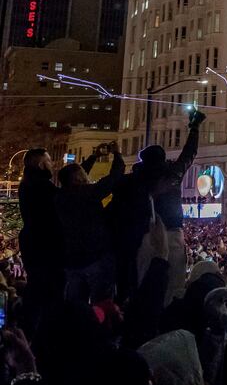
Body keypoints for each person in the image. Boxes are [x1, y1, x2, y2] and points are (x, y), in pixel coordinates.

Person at [136, 109, 205, 305]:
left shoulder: (138, 178)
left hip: (148, 235)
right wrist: (194, 127)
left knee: (146, 285)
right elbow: (189, 153)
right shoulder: (172, 174)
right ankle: (170, 314)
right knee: (174, 286)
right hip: (173, 234)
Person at [55, 144, 125, 304]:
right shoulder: (88, 193)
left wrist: (94, 157)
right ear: (78, 179)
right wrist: (117, 154)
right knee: (101, 302)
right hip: (95, 255)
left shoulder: (60, 197)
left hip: (72, 259)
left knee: (75, 303)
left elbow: (72, 176)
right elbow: (114, 177)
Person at [17, 148, 64, 335]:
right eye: (49, 160)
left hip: (32, 242)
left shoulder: (28, 184)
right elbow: (65, 198)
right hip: (46, 244)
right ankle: (45, 332)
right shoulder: (43, 186)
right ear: (40, 164)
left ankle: (29, 330)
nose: (52, 164)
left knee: (36, 287)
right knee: (49, 289)